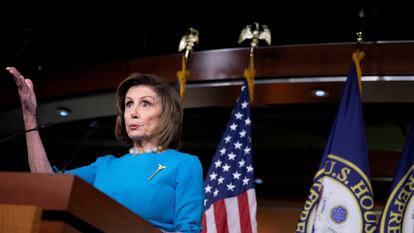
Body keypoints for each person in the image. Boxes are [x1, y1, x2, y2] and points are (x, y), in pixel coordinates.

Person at [6, 67, 204, 233]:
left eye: (145, 104)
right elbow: (46, 184)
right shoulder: (104, 166)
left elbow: (187, 230)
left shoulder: (184, 164)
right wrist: (29, 116)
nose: (133, 113)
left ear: (166, 114)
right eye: (129, 104)